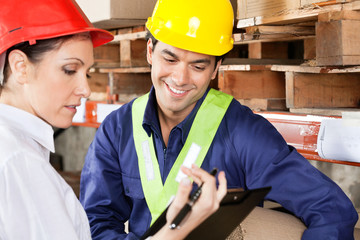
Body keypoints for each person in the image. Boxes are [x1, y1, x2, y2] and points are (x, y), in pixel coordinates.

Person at [80, 0, 358, 240]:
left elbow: (330, 208)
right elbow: (95, 224)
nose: (180, 78)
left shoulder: (241, 132)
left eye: (198, 66)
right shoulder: (117, 131)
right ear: (150, 51)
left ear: (216, 68)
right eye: (170, 58)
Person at [0, 0, 225, 239]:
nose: (85, 89)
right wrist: (176, 231)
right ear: (20, 67)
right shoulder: (18, 162)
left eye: (87, 73)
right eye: (69, 70)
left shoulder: (17, 152)